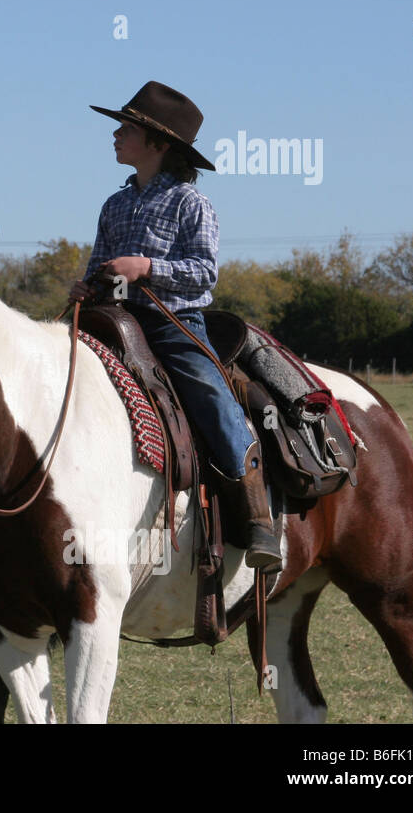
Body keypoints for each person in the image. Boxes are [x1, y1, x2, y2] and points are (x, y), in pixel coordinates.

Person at [69, 81, 281, 572]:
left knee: (212, 397)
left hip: (172, 325)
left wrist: (146, 268)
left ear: (159, 144)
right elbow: (100, 265)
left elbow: (204, 273)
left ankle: (258, 520)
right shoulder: (114, 205)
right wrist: (86, 288)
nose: (116, 134)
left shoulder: (192, 204)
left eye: (127, 127)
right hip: (110, 320)